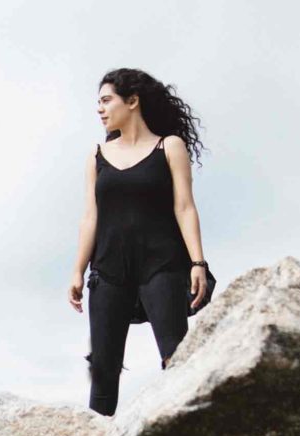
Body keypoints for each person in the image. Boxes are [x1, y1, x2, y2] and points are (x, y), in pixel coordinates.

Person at [68, 68, 209, 417]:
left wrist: (198, 263)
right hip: (108, 269)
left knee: (176, 356)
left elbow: (185, 206)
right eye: (97, 103)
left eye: (106, 100)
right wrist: (77, 270)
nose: (99, 109)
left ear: (132, 101)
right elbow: (91, 217)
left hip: (162, 264)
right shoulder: (97, 155)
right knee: (103, 366)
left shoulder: (169, 147)